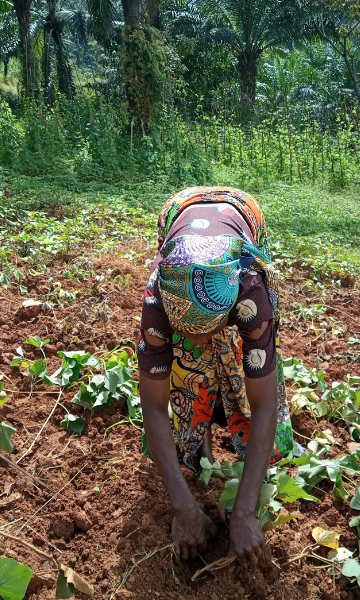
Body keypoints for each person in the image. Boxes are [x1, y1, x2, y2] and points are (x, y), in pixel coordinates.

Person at [137, 186, 294, 566]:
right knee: (188, 367)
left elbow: (264, 405)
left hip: (242, 216)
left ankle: (233, 455)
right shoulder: (159, 300)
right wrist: (183, 509)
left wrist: (244, 512)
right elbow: (154, 408)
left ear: (230, 314)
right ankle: (199, 448)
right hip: (179, 211)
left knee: (237, 360)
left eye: (203, 330)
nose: (192, 341)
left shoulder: (250, 293)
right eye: (183, 330)